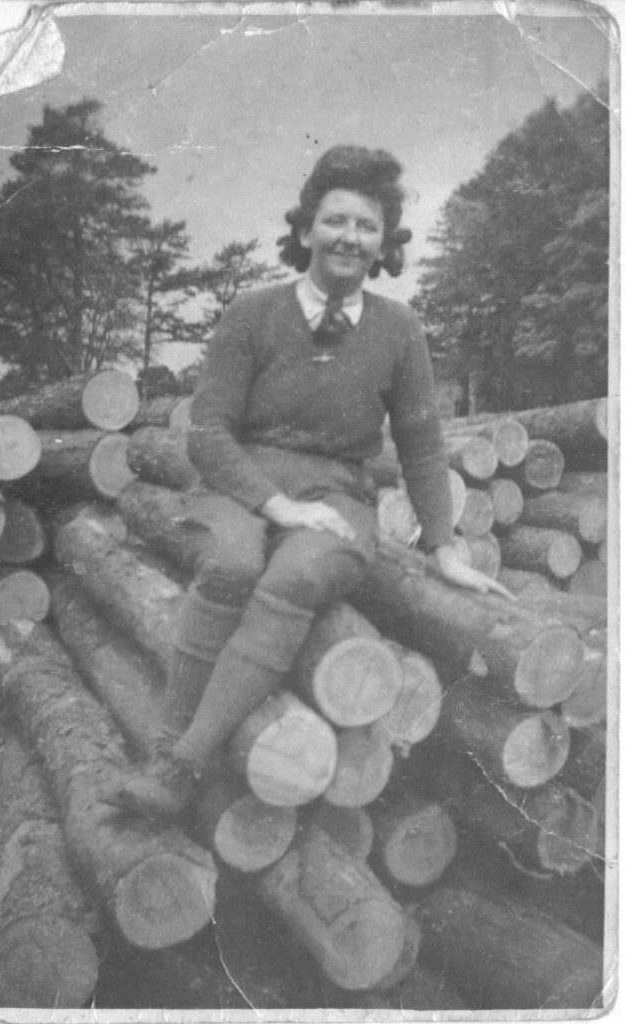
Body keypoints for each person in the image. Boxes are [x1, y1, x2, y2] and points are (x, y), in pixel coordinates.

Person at [110, 145, 511, 819]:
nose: (349, 237)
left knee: (295, 578)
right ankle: (161, 749)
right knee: (233, 563)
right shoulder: (250, 313)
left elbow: (419, 441)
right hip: (242, 485)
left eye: (366, 226)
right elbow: (207, 432)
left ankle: (180, 770)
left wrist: (443, 546)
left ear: (383, 244)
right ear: (304, 230)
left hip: (337, 497)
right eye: (335, 220)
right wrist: (274, 505)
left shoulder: (398, 329)